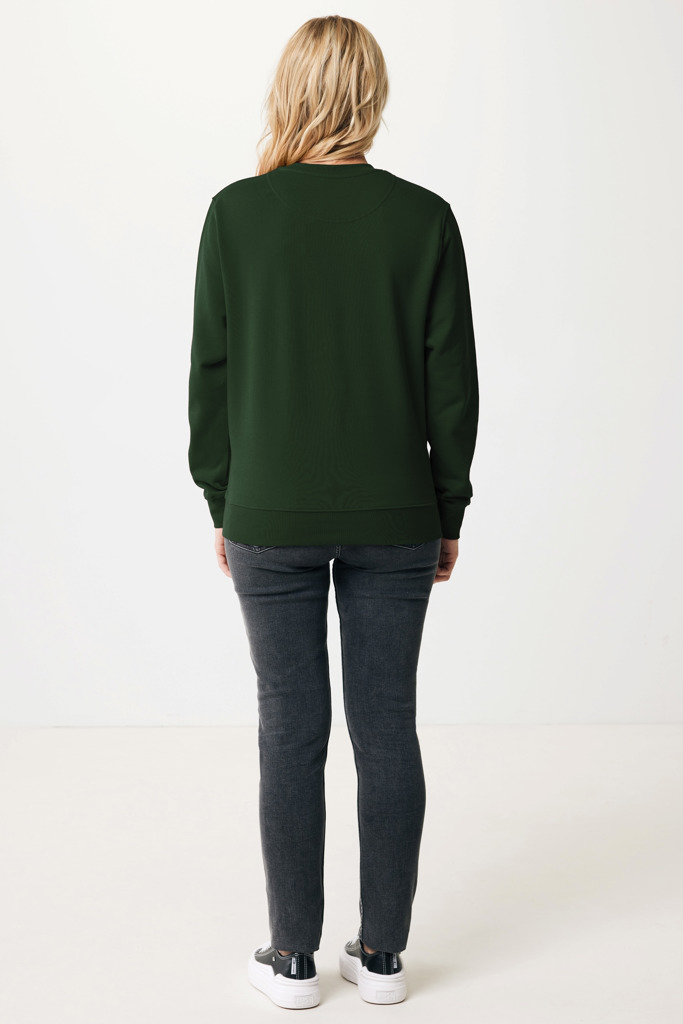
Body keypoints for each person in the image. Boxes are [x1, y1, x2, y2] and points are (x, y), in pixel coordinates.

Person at [187, 14, 479, 1010]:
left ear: (290, 91)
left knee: (289, 729)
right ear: (372, 96)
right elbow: (451, 385)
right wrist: (447, 506)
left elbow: (210, 374)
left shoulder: (236, 215)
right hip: (398, 513)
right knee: (386, 727)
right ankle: (383, 958)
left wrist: (222, 496)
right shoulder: (423, 219)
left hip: (268, 513)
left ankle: (291, 959)